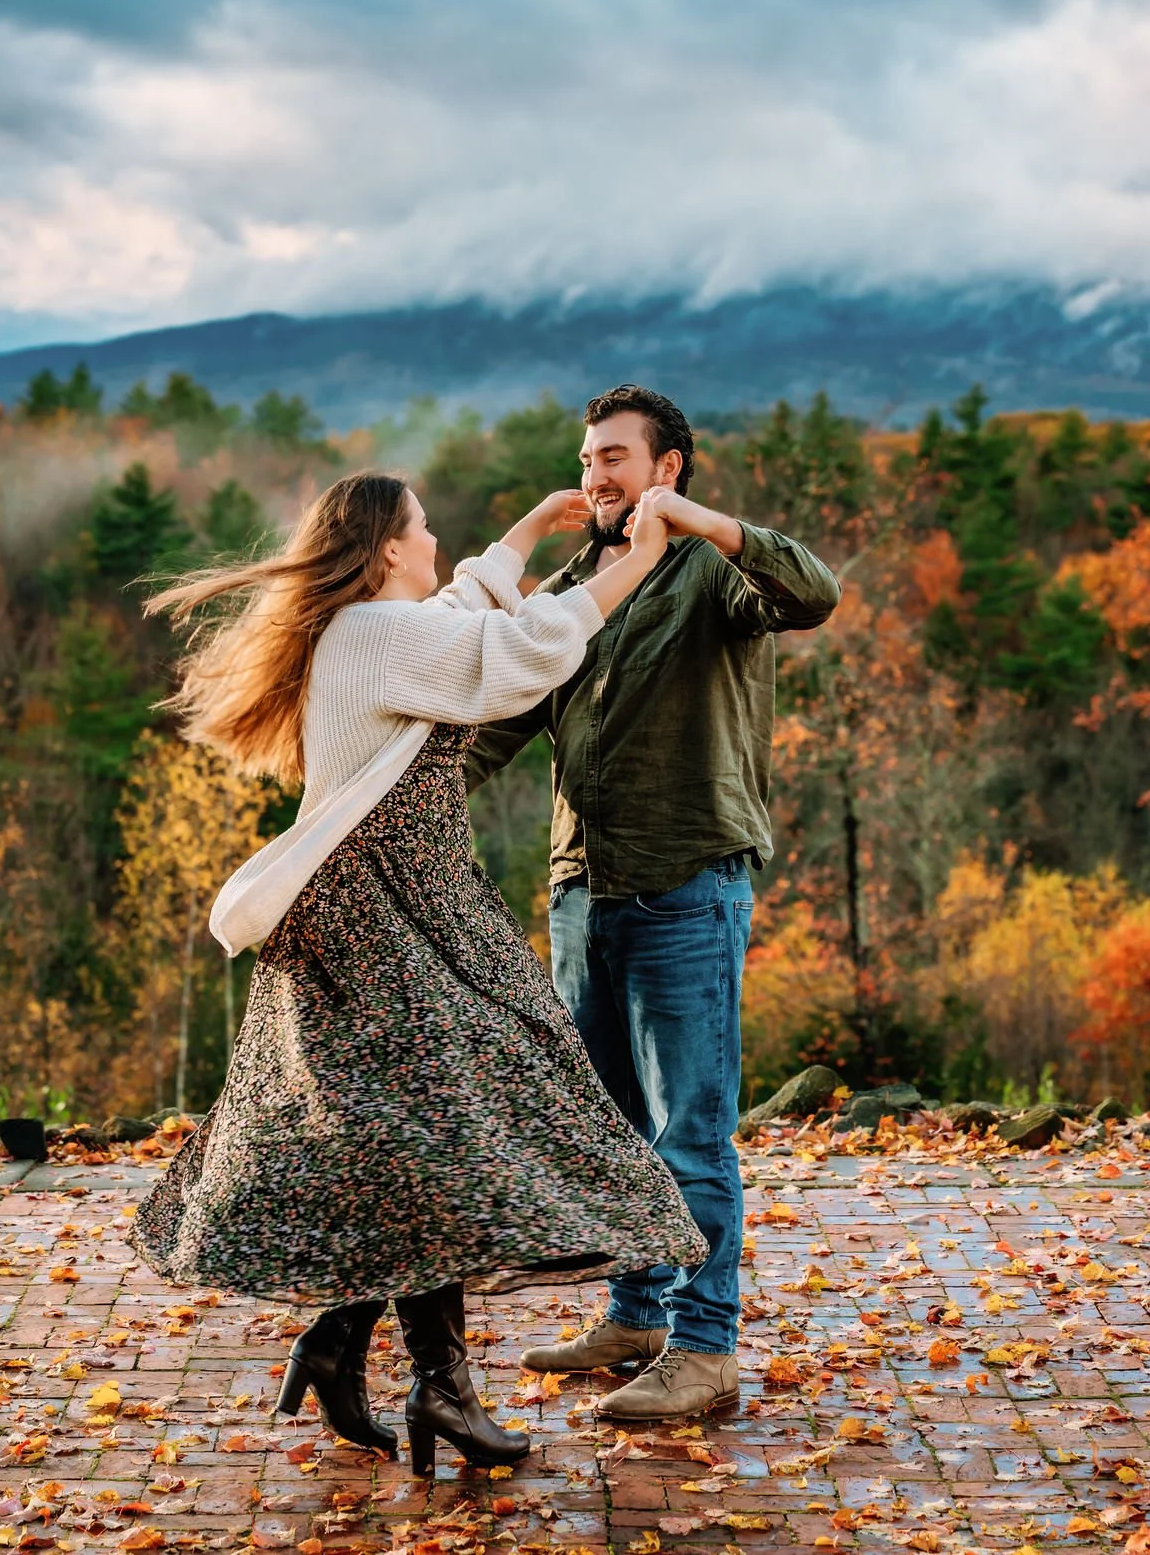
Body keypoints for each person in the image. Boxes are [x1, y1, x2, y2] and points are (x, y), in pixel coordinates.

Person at [128, 470, 707, 1475]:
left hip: (404, 900)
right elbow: (523, 649)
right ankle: (437, 1385)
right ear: (388, 547)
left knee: (412, 1138)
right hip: (378, 906)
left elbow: (457, 614)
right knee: (438, 1132)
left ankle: (353, 1346)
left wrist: (524, 530)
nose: (437, 539)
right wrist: (640, 560)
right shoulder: (372, 637)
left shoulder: (373, 629)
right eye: (425, 528)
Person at [466, 385, 842, 1420]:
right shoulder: (575, 584)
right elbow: (505, 719)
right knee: (614, 1127)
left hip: (688, 884)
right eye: (589, 459)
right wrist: (389, 796)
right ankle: (635, 1315)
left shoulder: (713, 574)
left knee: (692, 1133)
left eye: (616, 458)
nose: (596, 475)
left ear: (667, 468)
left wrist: (706, 529)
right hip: (583, 892)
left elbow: (816, 593)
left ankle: (707, 1349)